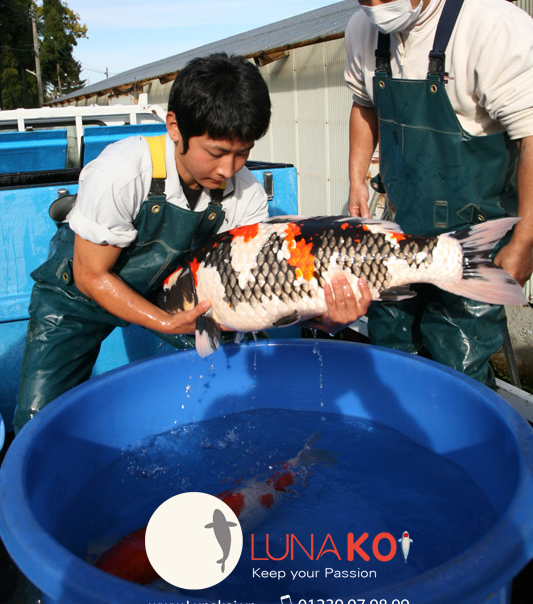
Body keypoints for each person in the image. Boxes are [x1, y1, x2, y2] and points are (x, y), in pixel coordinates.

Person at [15, 53, 371, 433]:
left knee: (238, 376)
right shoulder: (120, 171)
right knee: (37, 422)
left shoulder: (246, 194)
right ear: (175, 127)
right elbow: (90, 275)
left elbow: (251, 284)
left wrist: (326, 318)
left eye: (243, 153)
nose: (228, 169)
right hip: (78, 297)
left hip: (168, 292)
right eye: (216, 153)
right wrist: (165, 323)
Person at [339, 0, 533, 386]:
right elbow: (364, 105)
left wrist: (526, 240)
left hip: (473, 236)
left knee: (457, 364)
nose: (374, 9)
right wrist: (356, 181)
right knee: (390, 349)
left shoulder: (492, 26)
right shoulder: (361, 30)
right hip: (397, 231)